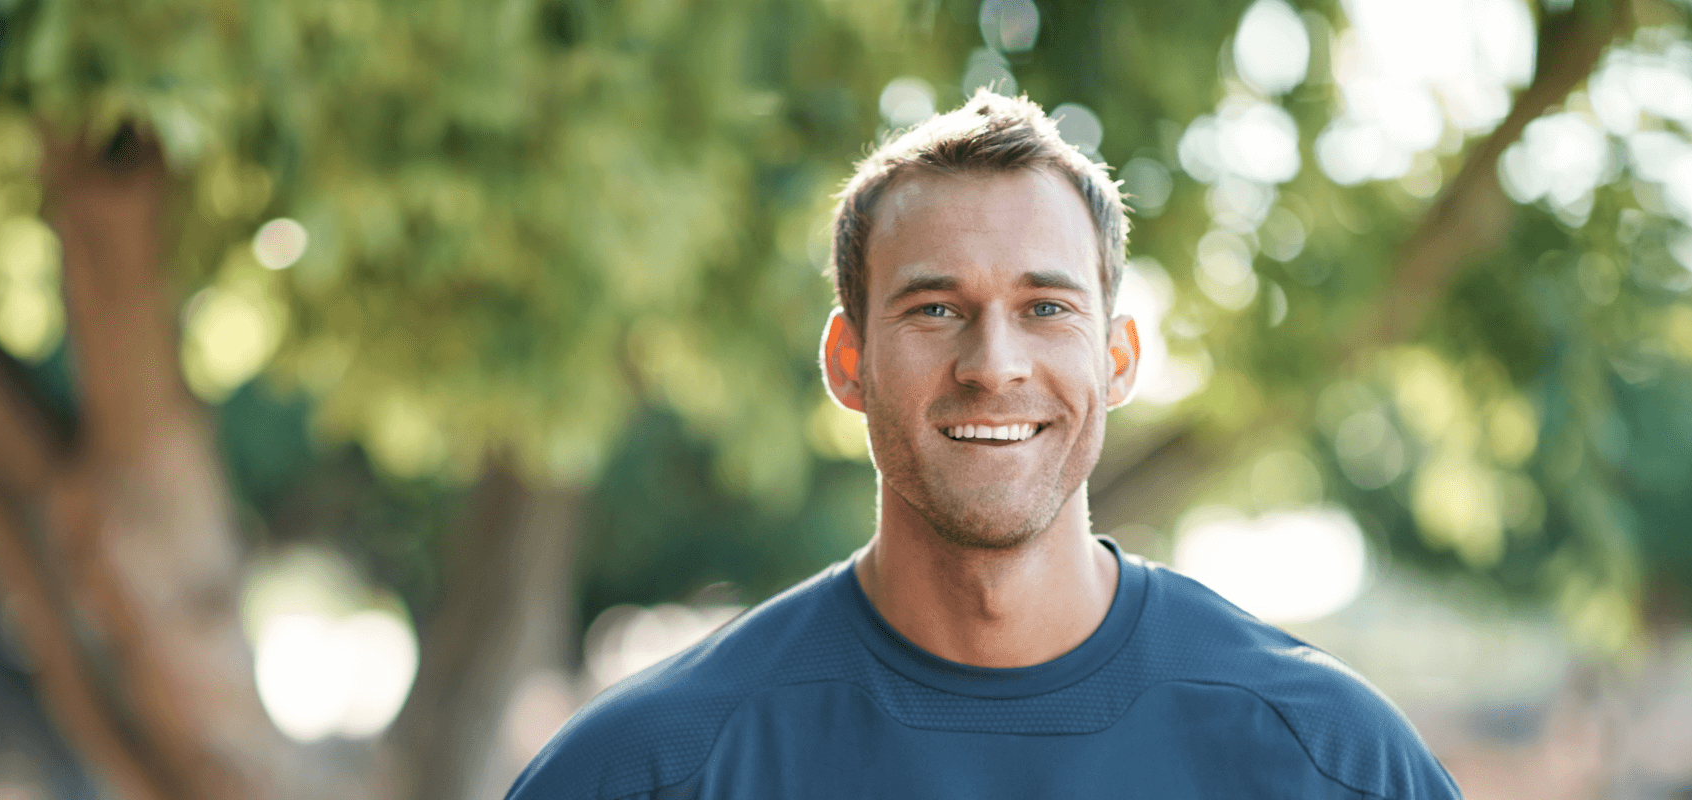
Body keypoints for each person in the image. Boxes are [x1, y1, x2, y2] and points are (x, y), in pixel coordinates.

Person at [507, 91, 1461, 799]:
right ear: (848, 360)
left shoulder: (1331, 763)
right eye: (934, 309)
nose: (992, 364)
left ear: (1118, 359)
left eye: (1046, 307)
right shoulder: (648, 771)